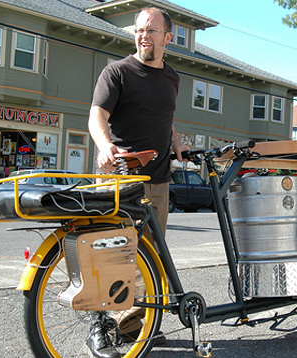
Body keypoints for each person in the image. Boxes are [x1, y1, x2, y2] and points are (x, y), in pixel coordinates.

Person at [88, 7, 189, 358]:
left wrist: (176, 141)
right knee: (112, 256)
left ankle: (137, 325)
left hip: (158, 181)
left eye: (151, 30)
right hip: (120, 176)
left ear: (167, 37)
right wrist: (104, 146)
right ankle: (98, 330)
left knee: (150, 259)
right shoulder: (117, 72)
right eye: (139, 30)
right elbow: (97, 116)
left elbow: (165, 118)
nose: (143, 35)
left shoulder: (172, 78)